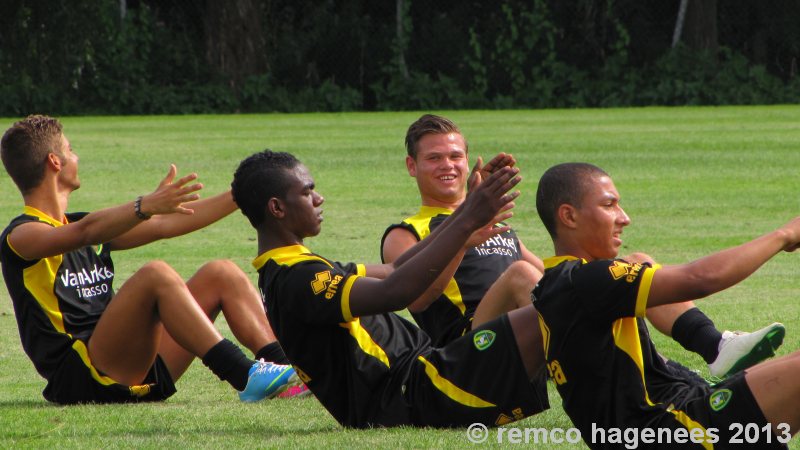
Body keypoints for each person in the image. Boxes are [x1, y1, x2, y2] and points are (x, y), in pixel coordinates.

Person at [383, 113, 784, 379]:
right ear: (412, 166)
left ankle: (715, 346)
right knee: (523, 275)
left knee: (630, 266)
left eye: (455, 155)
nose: (448, 165)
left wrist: (604, 278)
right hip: (466, 354)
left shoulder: (497, 226)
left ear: (469, 159)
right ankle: (653, 369)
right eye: (434, 158)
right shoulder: (405, 233)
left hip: (521, 335)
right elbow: (415, 297)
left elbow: (554, 277)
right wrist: (465, 224)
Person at [232, 149, 549, 428]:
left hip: (426, 381)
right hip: (417, 397)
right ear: (277, 208)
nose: (319, 198)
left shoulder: (295, 266)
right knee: (555, 307)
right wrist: (467, 220)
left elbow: (395, 269)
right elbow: (396, 292)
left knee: (555, 304)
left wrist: (466, 214)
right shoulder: (298, 278)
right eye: (307, 192)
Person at [0, 115, 304, 404]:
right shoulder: (21, 236)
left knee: (220, 273)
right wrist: (143, 205)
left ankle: (296, 372)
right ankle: (245, 375)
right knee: (155, 274)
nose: (76, 156)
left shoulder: (81, 227)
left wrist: (245, 192)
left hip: (131, 364)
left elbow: (164, 225)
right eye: (70, 149)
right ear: (55, 161)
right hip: (84, 375)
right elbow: (85, 232)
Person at [532, 162, 798, 448]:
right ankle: (719, 347)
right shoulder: (585, 282)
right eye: (609, 205)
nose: (624, 218)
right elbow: (701, 278)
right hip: (673, 430)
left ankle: (719, 346)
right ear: (569, 216)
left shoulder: (562, 285)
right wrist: (785, 235)